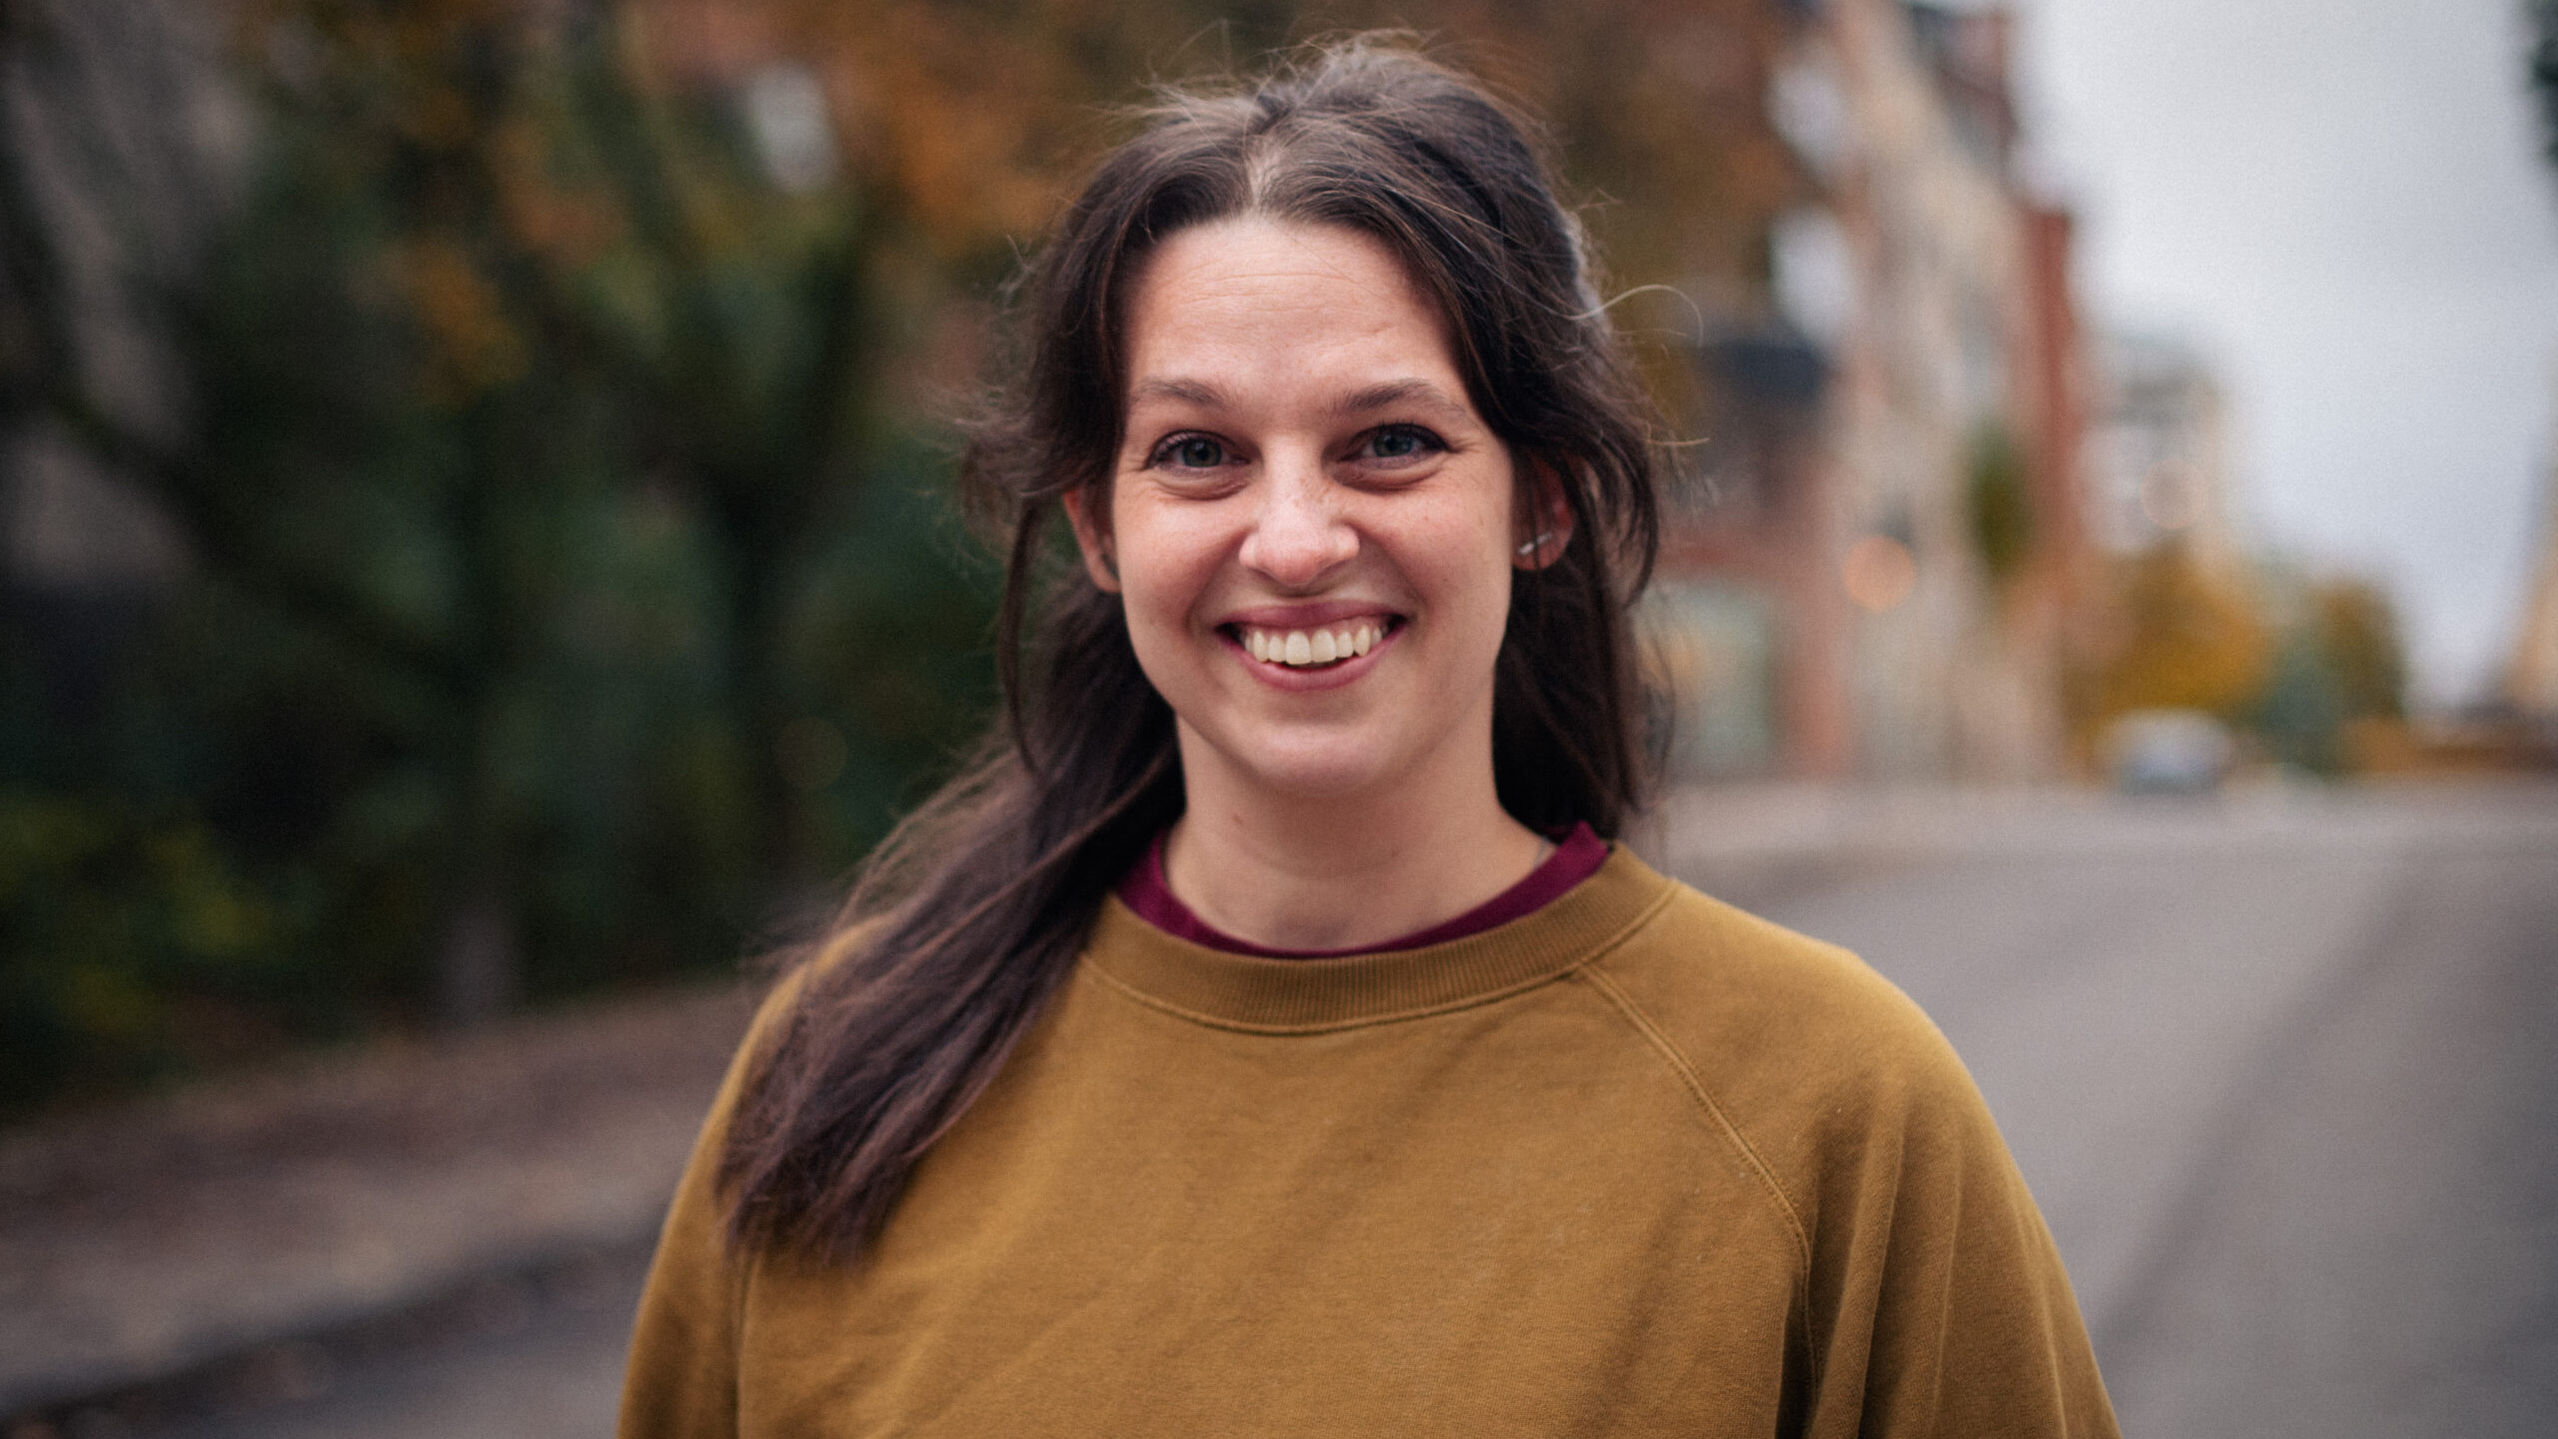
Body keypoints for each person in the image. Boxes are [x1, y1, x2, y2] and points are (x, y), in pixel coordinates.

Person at [619, 40, 2118, 1438]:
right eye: (1197, 453)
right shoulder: (838, 1081)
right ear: (1097, 525)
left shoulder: (1832, 1115)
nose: (1290, 538)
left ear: (1538, 501)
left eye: (1387, 441)